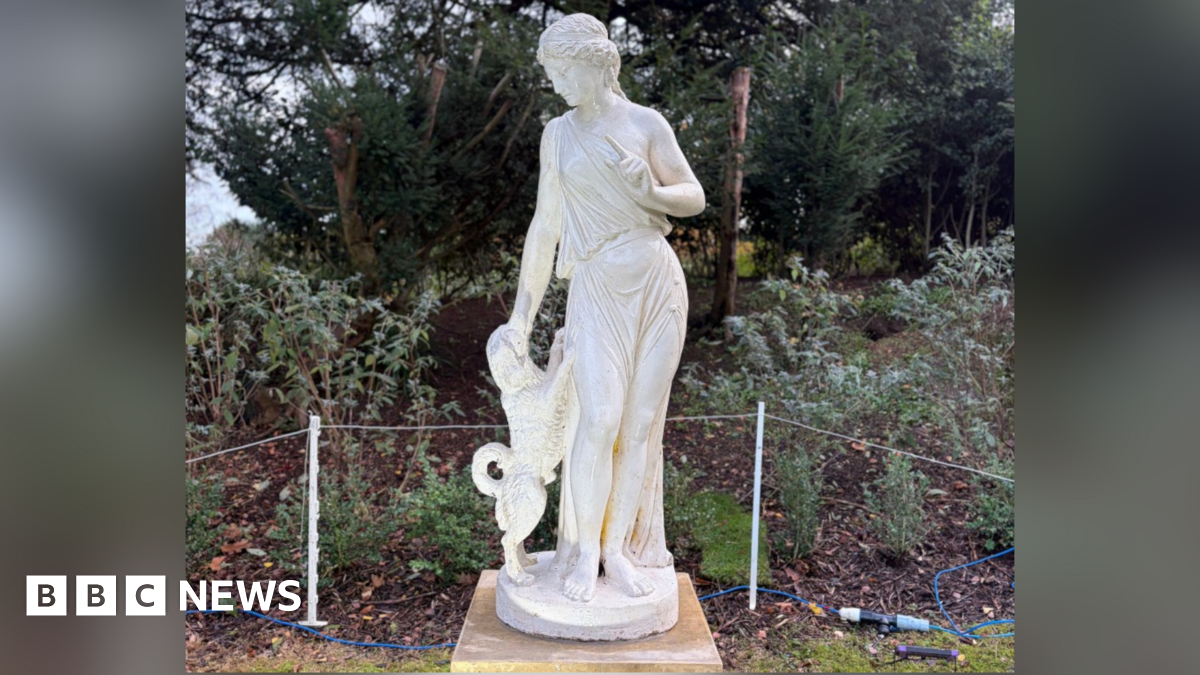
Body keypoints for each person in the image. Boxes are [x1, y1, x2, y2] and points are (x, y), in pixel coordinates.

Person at [501, 13, 705, 603]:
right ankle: (585, 546)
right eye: (551, 73)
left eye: (562, 71)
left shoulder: (646, 124)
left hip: (655, 280)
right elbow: (545, 228)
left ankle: (615, 552)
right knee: (599, 419)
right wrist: (522, 316)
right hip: (595, 282)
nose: (557, 84)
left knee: (639, 426)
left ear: (593, 63)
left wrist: (650, 193)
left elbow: (690, 195)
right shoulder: (558, 134)